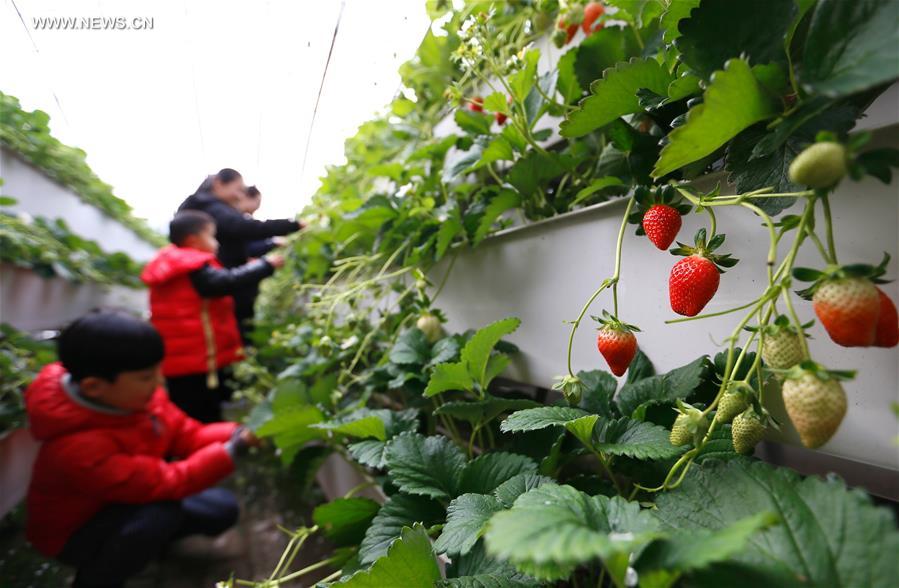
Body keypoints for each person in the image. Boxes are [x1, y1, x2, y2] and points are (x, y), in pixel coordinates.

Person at [25, 310, 259, 588]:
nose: (160, 381)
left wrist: (234, 432)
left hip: (128, 499)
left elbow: (187, 434)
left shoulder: (137, 400)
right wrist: (231, 450)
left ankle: (146, 543)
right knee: (159, 514)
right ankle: (97, 578)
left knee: (220, 509)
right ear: (94, 387)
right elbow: (167, 481)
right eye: (147, 376)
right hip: (75, 534)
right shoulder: (77, 447)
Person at [141, 210, 284, 422]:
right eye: (211, 236)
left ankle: (190, 435)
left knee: (185, 406)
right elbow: (226, 282)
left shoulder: (173, 262)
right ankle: (203, 438)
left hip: (181, 356)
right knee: (201, 411)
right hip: (195, 358)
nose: (216, 243)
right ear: (193, 240)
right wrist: (265, 266)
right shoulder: (190, 264)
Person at [179, 169, 301, 342]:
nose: (239, 196)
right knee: (230, 331)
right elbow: (243, 230)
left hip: (226, 293)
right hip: (225, 295)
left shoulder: (205, 207)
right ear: (219, 184)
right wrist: (291, 227)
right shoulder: (209, 207)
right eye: (238, 190)